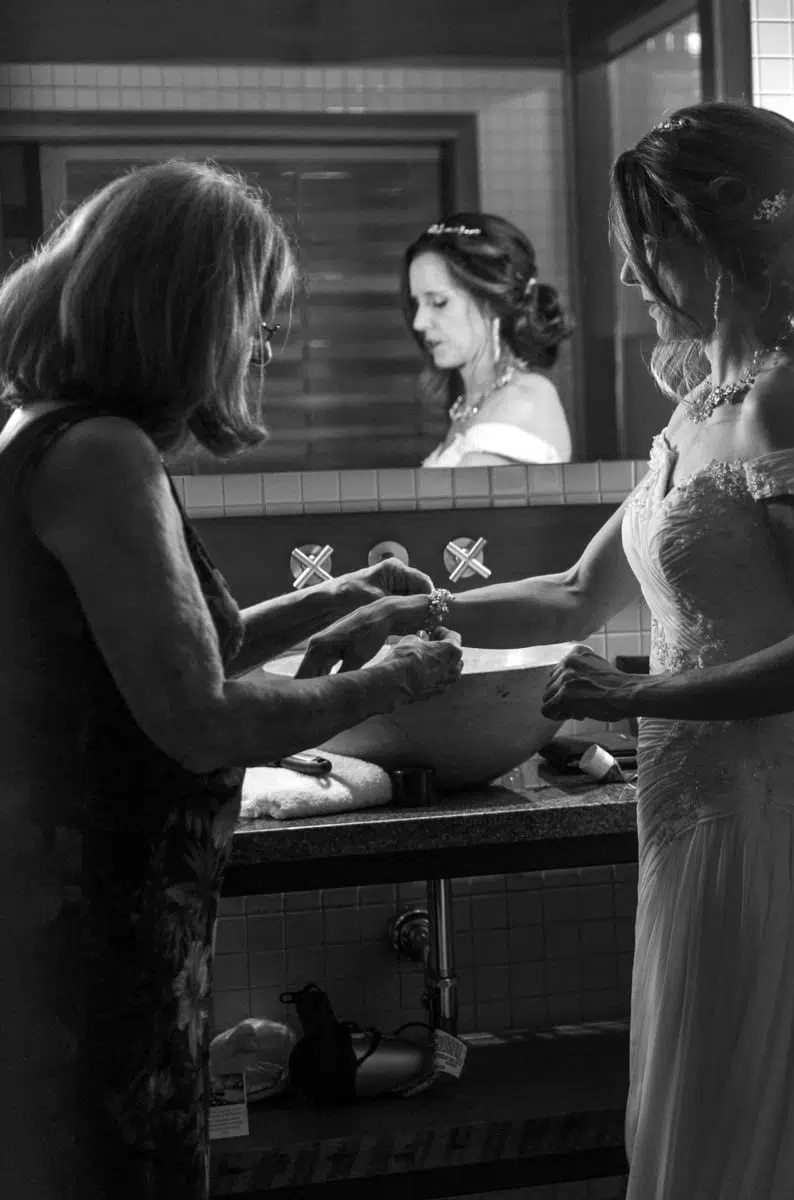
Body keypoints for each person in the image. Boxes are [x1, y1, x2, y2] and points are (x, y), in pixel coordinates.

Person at [305, 101, 794, 1197]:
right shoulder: (702, 411)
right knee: (698, 1133)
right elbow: (577, 594)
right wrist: (410, 609)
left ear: (697, 238)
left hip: (763, 830)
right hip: (687, 828)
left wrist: (640, 692)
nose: (626, 270)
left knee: (757, 1146)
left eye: (639, 241)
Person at [0, 159, 464, 1198]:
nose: (260, 345)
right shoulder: (102, 454)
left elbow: (149, 664)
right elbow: (200, 718)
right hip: (91, 943)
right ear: (188, 311)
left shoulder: (50, 431)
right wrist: (388, 677)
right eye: (251, 317)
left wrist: (332, 601)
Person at [405, 212, 575, 467]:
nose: (419, 322)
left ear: (491, 304)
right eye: (416, 303)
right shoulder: (467, 406)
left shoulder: (525, 398)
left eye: (439, 302)